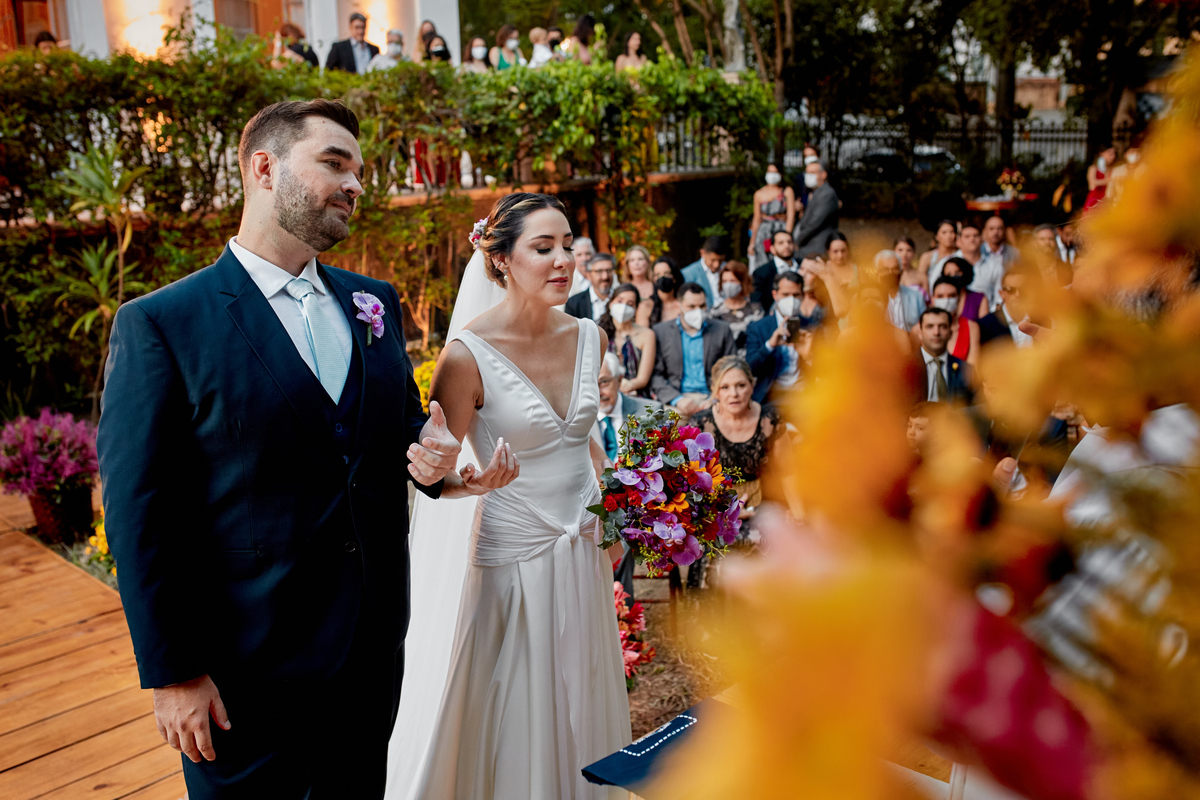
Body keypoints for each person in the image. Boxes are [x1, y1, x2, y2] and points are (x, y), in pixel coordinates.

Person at [98, 99, 495, 799]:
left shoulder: (373, 302)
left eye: (360, 172)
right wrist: (174, 673)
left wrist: (442, 470)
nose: (354, 184)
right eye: (334, 164)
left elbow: (397, 434)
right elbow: (139, 514)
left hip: (369, 651)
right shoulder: (163, 324)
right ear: (263, 168)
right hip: (242, 670)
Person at [395, 192, 631, 798]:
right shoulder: (465, 355)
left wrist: (617, 516)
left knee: (584, 692)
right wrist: (467, 483)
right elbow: (429, 474)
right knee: (513, 706)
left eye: (568, 247)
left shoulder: (590, 337)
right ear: (499, 259)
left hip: (582, 546)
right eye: (543, 247)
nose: (563, 261)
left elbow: (586, 447)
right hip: (512, 553)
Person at [592, 351, 661, 598]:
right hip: (592, 505)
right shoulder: (580, 422)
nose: (598, 390)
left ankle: (620, 616)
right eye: (591, 383)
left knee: (620, 536)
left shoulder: (650, 413)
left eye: (604, 381)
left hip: (639, 507)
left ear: (620, 380)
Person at [690, 356, 782, 533]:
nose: (734, 394)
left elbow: (788, 473)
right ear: (715, 391)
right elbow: (694, 479)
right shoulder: (701, 425)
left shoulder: (770, 419)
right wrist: (723, 511)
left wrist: (797, 514)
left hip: (763, 504)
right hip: (715, 509)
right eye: (725, 387)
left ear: (752, 385)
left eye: (741, 385)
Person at [650, 282, 736, 415]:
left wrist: (715, 398)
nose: (698, 311)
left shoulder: (722, 330)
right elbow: (656, 375)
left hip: (714, 398)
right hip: (677, 399)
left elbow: (731, 368)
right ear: (678, 307)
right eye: (691, 306)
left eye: (702, 306)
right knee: (667, 431)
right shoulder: (661, 332)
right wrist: (677, 399)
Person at [744, 271, 813, 402]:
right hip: (770, 396)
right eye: (786, 294)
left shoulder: (812, 326)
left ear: (803, 296)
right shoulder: (758, 328)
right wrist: (769, 345)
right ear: (775, 295)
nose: (791, 300)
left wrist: (808, 357)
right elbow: (749, 369)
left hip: (804, 394)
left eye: (796, 295)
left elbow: (826, 372)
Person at [928, 223, 1004, 310]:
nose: (972, 239)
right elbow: (933, 290)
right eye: (967, 236)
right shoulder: (946, 263)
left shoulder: (994, 266)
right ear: (958, 241)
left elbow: (999, 296)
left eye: (975, 236)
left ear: (982, 239)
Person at [599, 283, 657, 397]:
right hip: (604, 392)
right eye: (620, 301)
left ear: (635, 308)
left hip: (635, 393)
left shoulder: (647, 335)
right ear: (611, 303)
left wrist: (628, 385)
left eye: (630, 304)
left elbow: (643, 379)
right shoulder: (600, 331)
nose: (624, 307)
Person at [915, 307, 974, 405]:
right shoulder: (904, 368)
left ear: (950, 333)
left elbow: (977, 407)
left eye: (942, 326)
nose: (936, 332)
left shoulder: (966, 369)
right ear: (920, 333)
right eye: (930, 326)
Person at [748, 164, 797, 271]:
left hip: (781, 229)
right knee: (763, 264)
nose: (772, 175)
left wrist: (787, 237)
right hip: (764, 233)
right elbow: (756, 219)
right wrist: (752, 243)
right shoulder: (759, 194)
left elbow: (791, 216)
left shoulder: (787, 191)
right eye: (770, 172)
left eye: (775, 172)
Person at [711, 260, 765, 352]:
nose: (728, 285)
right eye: (724, 281)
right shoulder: (715, 312)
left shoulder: (756, 311)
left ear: (742, 282)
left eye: (732, 281)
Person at [978, 266, 1038, 349]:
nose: (1018, 294)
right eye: (1011, 290)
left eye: (1023, 289)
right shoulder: (986, 325)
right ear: (1001, 294)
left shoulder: (1042, 321)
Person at [926, 276, 981, 366]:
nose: (946, 300)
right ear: (932, 299)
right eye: (940, 296)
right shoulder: (919, 328)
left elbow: (973, 367)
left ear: (959, 298)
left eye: (951, 296)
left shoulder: (971, 327)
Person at [871, 249, 926, 332]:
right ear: (876, 273)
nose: (890, 273)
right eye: (885, 270)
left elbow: (925, 326)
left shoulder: (916, 297)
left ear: (901, 271)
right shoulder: (868, 298)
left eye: (895, 269)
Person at [793, 160, 839, 256]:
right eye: (807, 172)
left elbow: (814, 223)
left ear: (823, 175)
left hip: (816, 246)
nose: (808, 176)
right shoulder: (816, 192)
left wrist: (798, 241)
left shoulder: (827, 194)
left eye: (812, 173)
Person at [752, 229, 799, 310]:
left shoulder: (804, 266)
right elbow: (757, 304)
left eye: (789, 242)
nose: (786, 245)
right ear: (772, 248)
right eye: (781, 243)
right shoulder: (761, 273)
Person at [565, 253, 615, 321]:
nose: (605, 276)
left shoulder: (622, 298)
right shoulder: (574, 303)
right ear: (589, 275)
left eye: (609, 271)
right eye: (599, 271)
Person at [681, 234, 728, 307]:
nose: (717, 265)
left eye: (720, 260)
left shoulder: (729, 269)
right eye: (713, 260)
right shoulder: (687, 274)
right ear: (702, 253)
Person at [938, 257, 989, 321]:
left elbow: (985, 326)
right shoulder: (939, 298)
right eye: (949, 274)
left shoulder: (979, 298)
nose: (953, 276)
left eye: (957, 273)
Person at [647, 256, 683, 327]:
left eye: (666, 273)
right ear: (654, 279)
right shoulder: (647, 306)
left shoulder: (684, 304)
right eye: (658, 275)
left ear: (674, 277)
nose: (662, 277)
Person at [622, 244, 656, 319]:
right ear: (628, 265)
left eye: (640, 259)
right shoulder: (623, 289)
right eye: (632, 260)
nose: (636, 263)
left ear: (647, 262)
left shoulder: (656, 286)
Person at [1084, 146, 1115, 212]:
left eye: (1113, 153)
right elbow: (1093, 182)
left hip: (1106, 200)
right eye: (1109, 153)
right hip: (1094, 199)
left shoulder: (1111, 169)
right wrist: (1108, 180)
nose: (1112, 156)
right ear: (1101, 153)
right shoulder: (1093, 168)